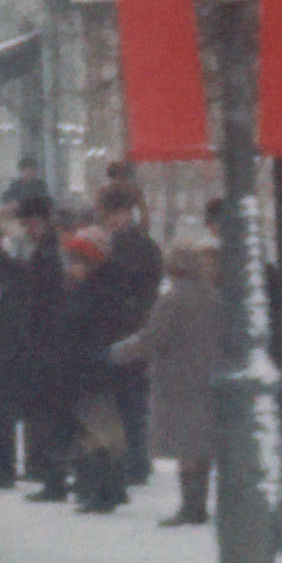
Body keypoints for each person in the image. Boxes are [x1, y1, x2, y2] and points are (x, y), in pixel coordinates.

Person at [0, 185, 65, 495]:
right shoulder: (43, 253)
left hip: (32, 343)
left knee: (14, 408)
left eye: (30, 223)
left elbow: (29, 293)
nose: (27, 229)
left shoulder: (46, 256)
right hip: (33, 342)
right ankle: (40, 469)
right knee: (32, 410)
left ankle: (32, 470)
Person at [140, 236, 222, 525]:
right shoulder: (214, 296)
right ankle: (199, 503)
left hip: (176, 380)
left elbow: (152, 338)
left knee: (184, 446)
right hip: (208, 379)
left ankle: (189, 506)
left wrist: (118, 352)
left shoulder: (172, 300)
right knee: (201, 444)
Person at [89, 178, 167, 483]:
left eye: (115, 213)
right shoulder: (145, 245)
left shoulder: (121, 247)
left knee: (126, 403)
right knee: (132, 403)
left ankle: (131, 463)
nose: (112, 220)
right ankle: (134, 461)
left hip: (123, 331)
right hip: (134, 328)